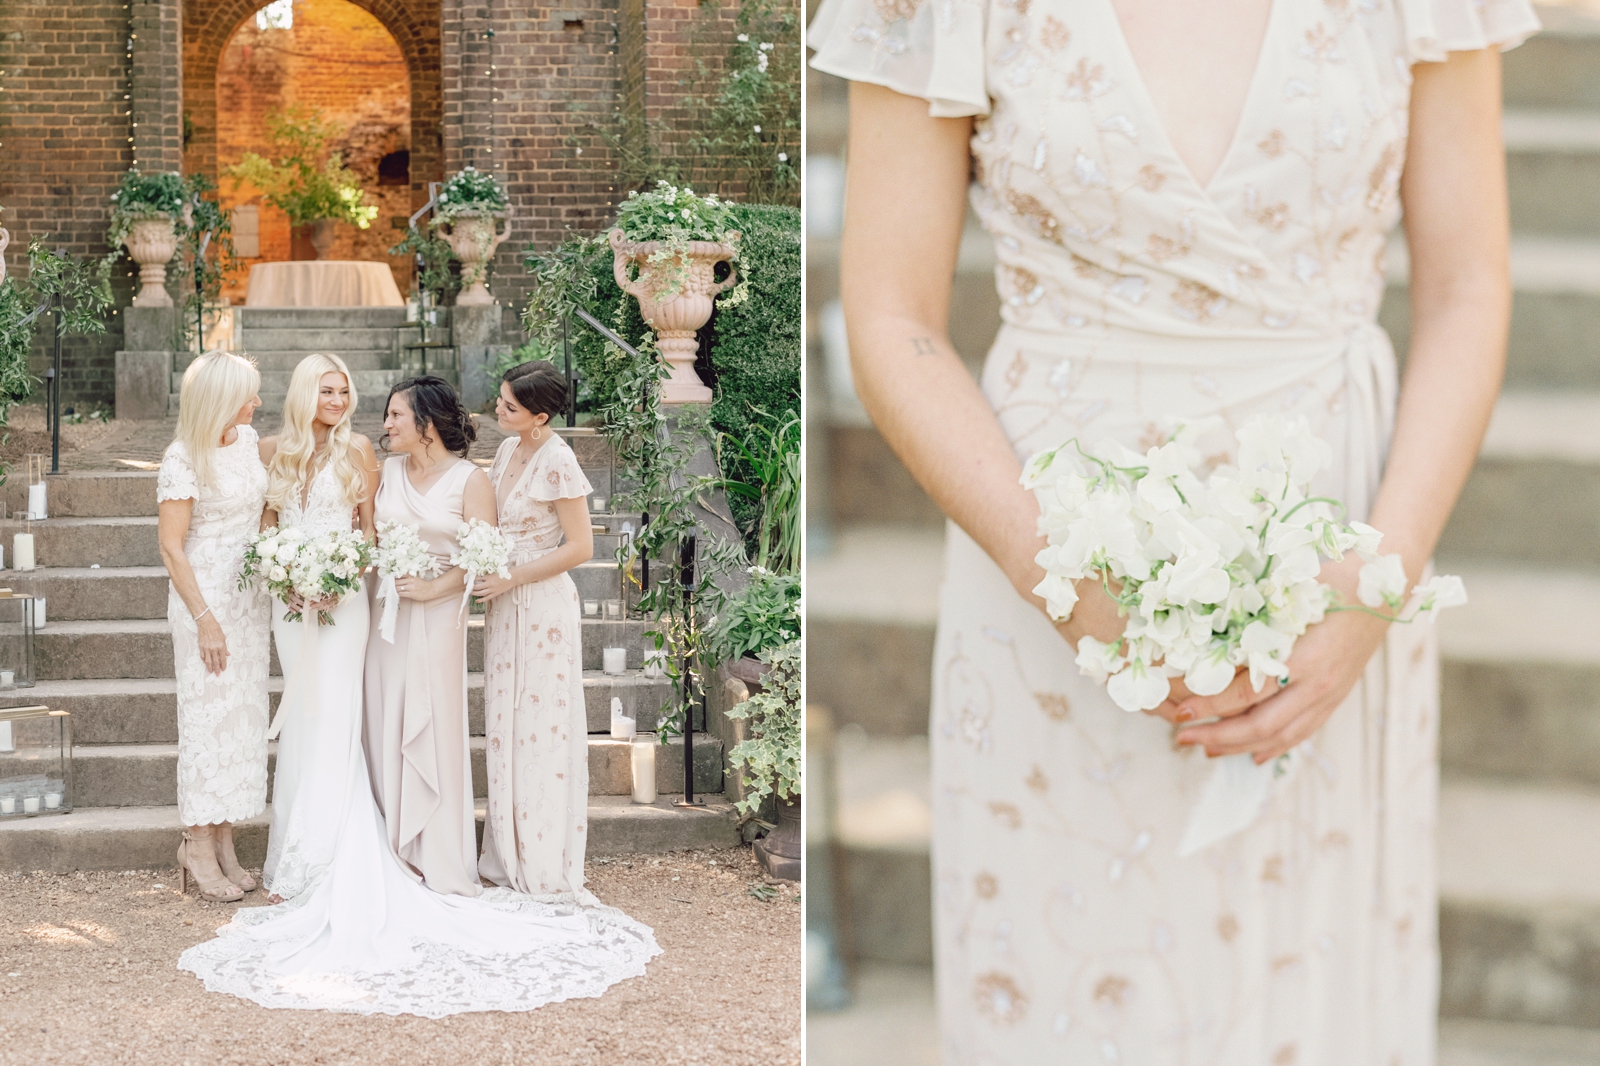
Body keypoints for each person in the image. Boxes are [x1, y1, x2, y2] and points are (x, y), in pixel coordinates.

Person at [810, 0, 1535, 1059]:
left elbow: (1469, 285)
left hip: (1344, 562)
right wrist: (1052, 569)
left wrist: (1375, 578)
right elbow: (889, 315)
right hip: (1049, 570)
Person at [178, 364, 661, 1017]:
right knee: (345, 723)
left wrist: (381, 581)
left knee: (396, 720)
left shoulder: (444, 472)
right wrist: (288, 569)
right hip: (361, 609)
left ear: (425, 423)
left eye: (387, 411)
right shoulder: (310, 456)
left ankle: (433, 852)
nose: (369, 414)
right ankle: (313, 854)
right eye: (331, 390)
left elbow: (425, 544)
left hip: (406, 609)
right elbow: (278, 517)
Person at [363, 376, 494, 896]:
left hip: (440, 618)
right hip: (385, 620)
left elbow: (482, 558)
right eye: (388, 415)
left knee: (433, 724)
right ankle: (390, 846)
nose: (387, 425)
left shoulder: (470, 481)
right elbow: (366, 537)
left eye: (397, 415)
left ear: (428, 425)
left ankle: (436, 850)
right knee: (384, 718)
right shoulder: (386, 472)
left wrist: (433, 587)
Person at [256, 354, 380, 904]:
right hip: (287, 603)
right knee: (306, 714)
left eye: (343, 392)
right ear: (306, 394)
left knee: (334, 714)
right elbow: (265, 528)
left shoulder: (359, 450)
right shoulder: (271, 452)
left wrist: (340, 580)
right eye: (327, 391)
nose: (337, 401)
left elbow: (369, 535)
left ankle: (329, 856)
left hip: (342, 602)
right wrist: (281, 579)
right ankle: (293, 853)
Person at [475, 361, 597, 899]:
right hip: (504, 606)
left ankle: (542, 855)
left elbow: (581, 548)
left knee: (541, 725)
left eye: (508, 406)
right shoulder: (506, 450)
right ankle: (506, 846)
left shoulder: (558, 460)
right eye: (500, 400)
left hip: (541, 605)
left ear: (539, 416)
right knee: (506, 721)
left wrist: (511, 577)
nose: (497, 410)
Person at [156, 350, 269, 903]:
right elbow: (172, 549)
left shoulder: (247, 443)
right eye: (250, 393)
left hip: (250, 600)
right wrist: (205, 620)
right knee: (206, 721)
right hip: (205, 601)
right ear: (222, 399)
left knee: (239, 721)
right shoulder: (182, 458)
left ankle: (224, 840)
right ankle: (196, 846)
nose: (258, 402)